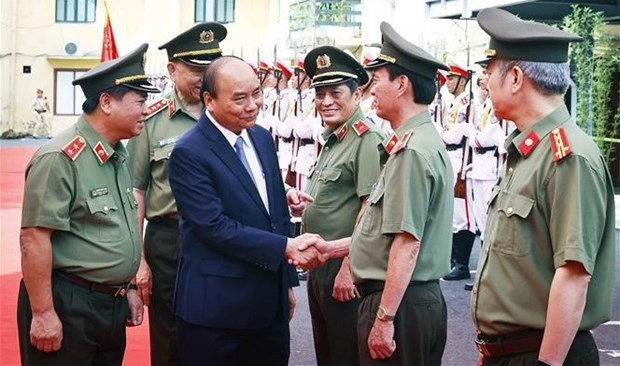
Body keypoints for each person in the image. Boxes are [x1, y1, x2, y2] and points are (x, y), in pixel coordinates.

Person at [299, 22, 454, 365]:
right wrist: (332, 249)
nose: (371, 92)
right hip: (401, 296)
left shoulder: (411, 151)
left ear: (401, 85)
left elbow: (407, 242)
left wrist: (383, 319)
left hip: (402, 300)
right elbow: (379, 231)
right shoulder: (410, 143)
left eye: (377, 81)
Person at [470, 8, 616, 366]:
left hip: (545, 355)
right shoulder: (529, 151)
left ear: (516, 78)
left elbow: (574, 275)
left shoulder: (568, 157)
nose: (485, 83)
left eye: (489, 72)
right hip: (509, 353)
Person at [167, 56, 323, 366]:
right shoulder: (190, 152)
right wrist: (286, 247)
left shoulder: (260, 137)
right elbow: (214, 226)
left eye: (256, 93)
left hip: (267, 308)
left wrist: (287, 283)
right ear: (209, 100)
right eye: (239, 98)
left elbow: (270, 210)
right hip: (216, 313)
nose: (252, 105)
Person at [17, 43, 159, 366]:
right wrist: (42, 314)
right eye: (140, 101)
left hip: (109, 306)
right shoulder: (60, 158)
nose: (146, 109)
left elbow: (114, 231)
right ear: (107, 102)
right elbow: (34, 239)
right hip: (68, 305)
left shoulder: (117, 155)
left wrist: (128, 289)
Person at [126, 22, 227, 366]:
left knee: (219, 330)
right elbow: (136, 190)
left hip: (221, 239)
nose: (204, 77)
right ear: (171, 70)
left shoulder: (226, 114)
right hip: (169, 241)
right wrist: (139, 260)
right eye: (195, 69)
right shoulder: (151, 121)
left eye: (209, 68)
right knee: (169, 336)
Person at [301, 45, 386, 366]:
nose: (325, 101)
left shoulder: (366, 139)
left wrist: (348, 270)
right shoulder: (335, 138)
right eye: (319, 93)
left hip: (345, 269)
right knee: (328, 353)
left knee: (346, 355)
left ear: (357, 93)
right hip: (321, 267)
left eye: (335, 92)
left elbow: (369, 209)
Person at [441, 62, 477, 282]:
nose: (448, 82)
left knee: (463, 215)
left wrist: (444, 133)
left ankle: (462, 264)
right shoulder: (453, 102)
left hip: (460, 159)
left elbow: (456, 136)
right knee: (454, 214)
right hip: (450, 156)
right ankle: (455, 261)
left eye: (452, 78)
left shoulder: (466, 102)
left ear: (463, 80)